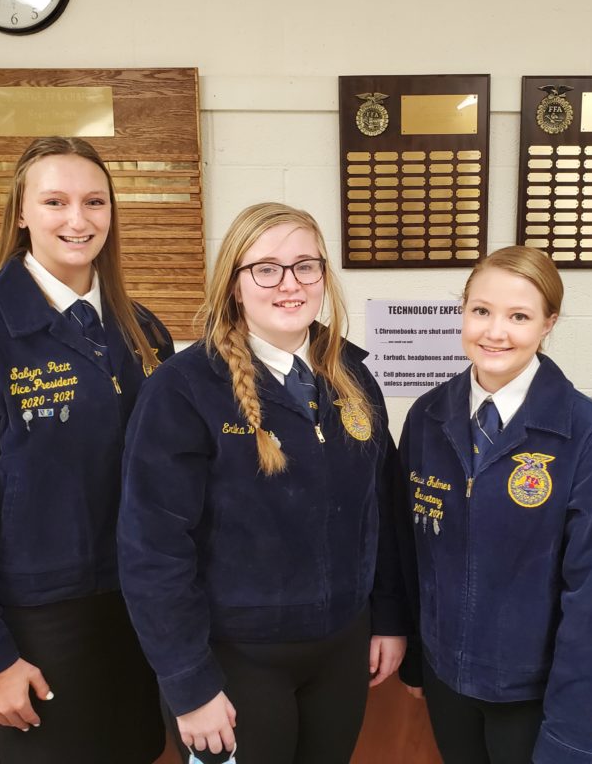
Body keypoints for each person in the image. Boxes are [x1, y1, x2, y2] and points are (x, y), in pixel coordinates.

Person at [0, 136, 174, 764]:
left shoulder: (143, 331)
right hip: (40, 625)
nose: (77, 220)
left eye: (94, 202)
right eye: (55, 201)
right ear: (22, 213)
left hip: (140, 612)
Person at [117, 202, 408, 764]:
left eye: (306, 265)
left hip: (341, 650)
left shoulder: (352, 376)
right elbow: (152, 550)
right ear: (234, 284)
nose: (290, 284)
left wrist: (389, 617)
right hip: (234, 660)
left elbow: (382, 507)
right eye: (267, 268)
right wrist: (187, 681)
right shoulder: (183, 391)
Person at [399, 246, 592, 764]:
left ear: (549, 323)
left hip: (532, 695)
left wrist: (571, 736)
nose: (494, 332)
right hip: (447, 681)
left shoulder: (587, 439)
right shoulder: (426, 419)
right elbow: (411, 552)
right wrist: (419, 658)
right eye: (481, 311)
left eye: (519, 316)